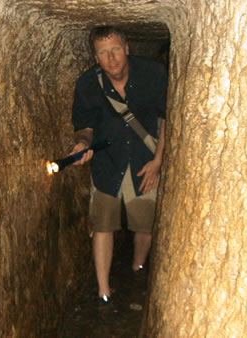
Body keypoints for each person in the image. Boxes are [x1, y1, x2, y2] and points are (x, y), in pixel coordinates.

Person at [70, 26, 168, 303]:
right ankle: (103, 290)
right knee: (102, 224)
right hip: (108, 162)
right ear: (96, 57)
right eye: (103, 53)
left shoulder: (153, 74)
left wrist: (158, 161)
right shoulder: (88, 84)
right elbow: (85, 127)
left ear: (126, 48)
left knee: (144, 223)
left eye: (115, 50)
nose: (111, 59)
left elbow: (166, 119)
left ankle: (137, 267)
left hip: (144, 161)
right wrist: (82, 144)